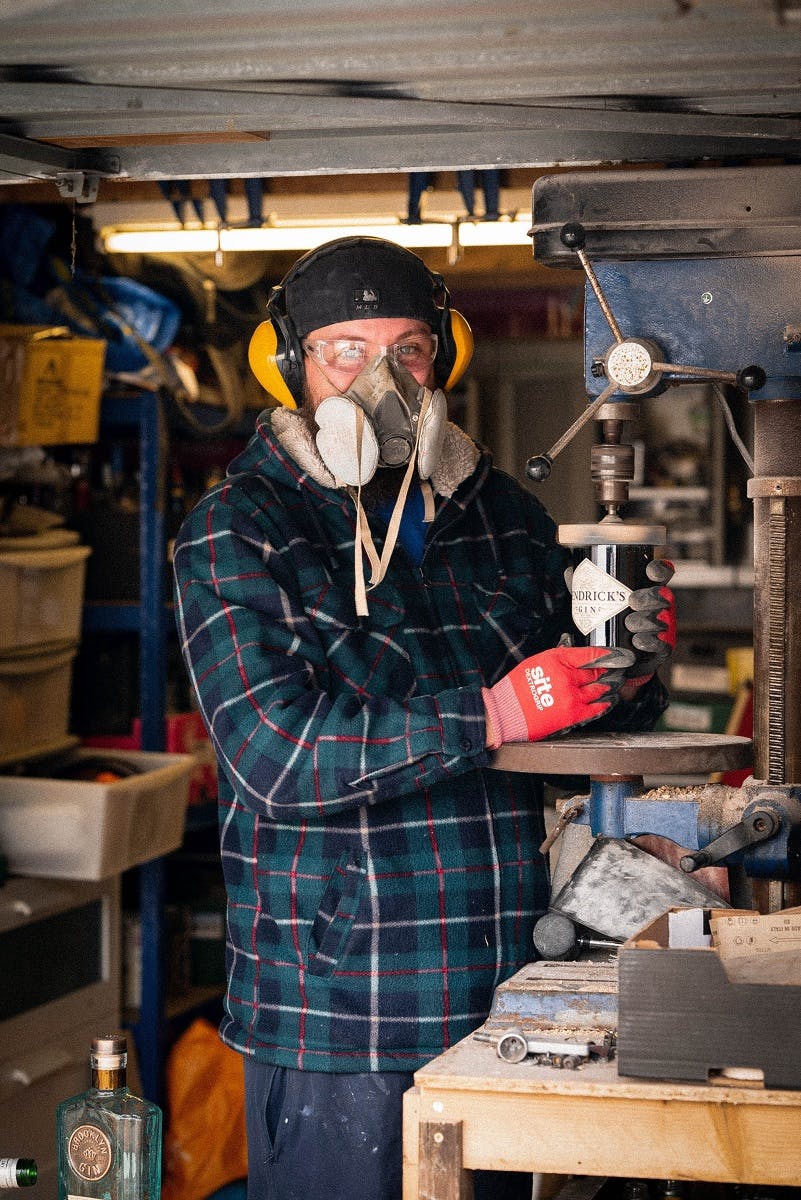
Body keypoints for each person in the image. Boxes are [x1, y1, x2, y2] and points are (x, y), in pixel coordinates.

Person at [172, 236, 674, 1200]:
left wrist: (631, 665)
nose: (381, 382)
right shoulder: (240, 528)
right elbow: (274, 754)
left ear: (441, 358)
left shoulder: (505, 521)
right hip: (336, 1010)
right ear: (291, 368)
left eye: (405, 349)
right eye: (344, 351)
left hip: (500, 992)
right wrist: (490, 710)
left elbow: (564, 736)